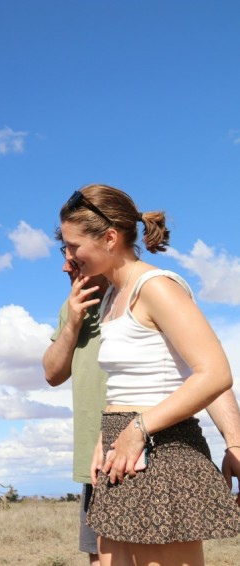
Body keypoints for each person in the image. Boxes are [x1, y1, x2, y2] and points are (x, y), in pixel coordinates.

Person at [57, 183, 240, 566]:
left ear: (109, 238)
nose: (68, 258)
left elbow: (214, 373)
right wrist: (105, 438)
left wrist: (138, 429)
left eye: (73, 246)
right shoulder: (110, 297)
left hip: (162, 450)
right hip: (119, 452)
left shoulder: (157, 287)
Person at [43, 250, 109, 566]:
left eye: (74, 256)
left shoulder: (144, 293)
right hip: (93, 461)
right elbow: (52, 373)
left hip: (141, 451)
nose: (64, 267)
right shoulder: (72, 306)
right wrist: (73, 320)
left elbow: (203, 370)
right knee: (99, 557)